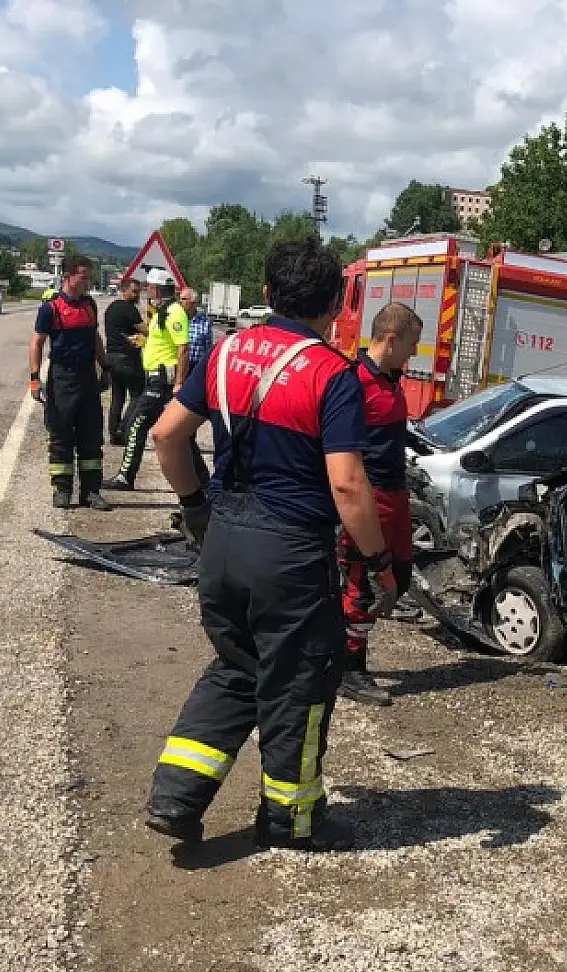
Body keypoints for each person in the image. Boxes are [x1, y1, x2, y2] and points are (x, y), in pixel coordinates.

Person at [144, 239, 395, 849]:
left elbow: (166, 436)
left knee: (237, 665)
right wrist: (381, 563)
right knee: (301, 682)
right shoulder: (334, 375)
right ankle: (292, 822)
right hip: (289, 553)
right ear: (337, 303)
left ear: (265, 295)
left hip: (224, 540)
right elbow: (346, 482)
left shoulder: (227, 351)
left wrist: (196, 507)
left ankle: (175, 798)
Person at [339, 302, 423, 706]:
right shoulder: (354, 382)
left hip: (397, 496)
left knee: (399, 579)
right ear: (391, 339)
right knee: (366, 585)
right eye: (412, 344)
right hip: (370, 499)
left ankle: (341, 643)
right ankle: (349, 669)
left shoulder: (390, 378)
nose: (414, 352)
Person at [28, 254, 112, 510]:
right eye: (84, 276)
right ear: (69, 276)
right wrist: (34, 379)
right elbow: (37, 343)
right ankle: (62, 490)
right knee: (61, 434)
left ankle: (91, 492)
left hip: (87, 376)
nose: (88, 281)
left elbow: (95, 337)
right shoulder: (50, 309)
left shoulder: (89, 305)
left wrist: (105, 366)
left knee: (91, 435)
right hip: (62, 377)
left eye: (89, 277)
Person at [106, 269, 191, 491]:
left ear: (156, 288)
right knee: (177, 435)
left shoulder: (173, 313)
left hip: (162, 379)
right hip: (154, 377)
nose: (146, 291)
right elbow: (162, 342)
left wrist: (179, 383)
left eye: (148, 287)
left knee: (137, 425)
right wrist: (144, 342)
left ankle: (125, 477)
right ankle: (200, 483)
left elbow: (183, 348)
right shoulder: (162, 312)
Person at [104, 277, 147, 446]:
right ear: (124, 290)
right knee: (138, 396)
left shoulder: (111, 308)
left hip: (112, 357)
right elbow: (146, 330)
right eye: (134, 291)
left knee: (117, 397)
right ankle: (123, 429)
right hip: (127, 359)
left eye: (138, 291)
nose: (137, 295)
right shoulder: (129, 309)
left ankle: (113, 433)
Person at [181, 287, 214, 377]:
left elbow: (208, 348)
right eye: (180, 299)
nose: (180, 302)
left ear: (193, 303)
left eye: (184, 299)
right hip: (179, 364)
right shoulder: (176, 318)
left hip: (195, 367)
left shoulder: (204, 322)